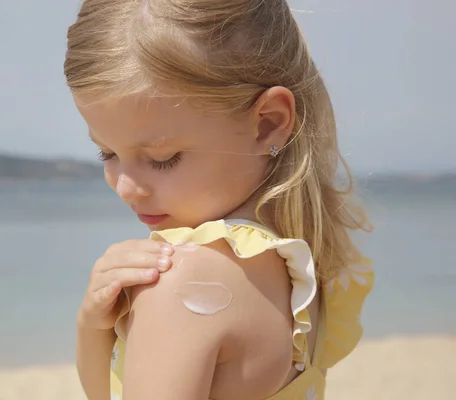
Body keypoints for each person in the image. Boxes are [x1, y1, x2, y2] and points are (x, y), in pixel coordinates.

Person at [64, 1, 375, 399]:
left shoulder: (184, 286)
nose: (125, 187)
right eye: (106, 153)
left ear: (268, 124)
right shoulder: (298, 268)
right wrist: (93, 328)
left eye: (163, 159)